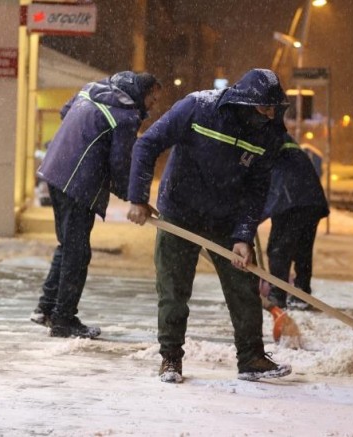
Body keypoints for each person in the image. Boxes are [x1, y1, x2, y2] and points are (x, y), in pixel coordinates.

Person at [126, 68, 293, 383]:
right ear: (244, 102)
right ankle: (171, 360)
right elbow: (147, 145)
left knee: (244, 288)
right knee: (174, 290)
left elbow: (257, 189)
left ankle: (251, 358)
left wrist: (243, 235)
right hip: (180, 212)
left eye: (274, 108)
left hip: (227, 220)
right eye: (264, 108)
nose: (270, 114)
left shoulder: (268, 134)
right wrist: (137, 198)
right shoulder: (198, 107)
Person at [30, 71, 162, 338]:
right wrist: (136, 199)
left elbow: (66, 111)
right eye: (153, 99)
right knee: (77, 253)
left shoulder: (93, 89)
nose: (154, 106)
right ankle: (64, 320)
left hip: (55, 172)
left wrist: (81, 140)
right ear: (142, 94)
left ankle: (46, 308)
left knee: (68, 245)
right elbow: (120, 163)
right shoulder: (126, 117)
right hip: (78, 183)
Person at [261, 134, 330, 310]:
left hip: (291, 199)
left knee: (278, 250)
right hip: (310, 199)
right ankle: (301, 292)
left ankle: (278, 296)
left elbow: (258, 183)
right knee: (302, 250)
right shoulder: (279, 137)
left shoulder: (262, 137)